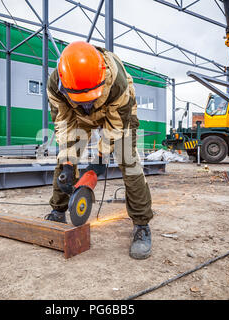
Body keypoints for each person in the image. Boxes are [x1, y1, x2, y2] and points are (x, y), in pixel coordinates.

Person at [44, 41, 154, 260]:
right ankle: (58, 212)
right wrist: (68, 161)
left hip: (117, 114)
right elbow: (64, 123)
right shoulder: (56, 83)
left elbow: (114, 128)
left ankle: (141, 225)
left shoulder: (118, 83)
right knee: (65, 161)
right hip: (78, 114)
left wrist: (100, 158)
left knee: (129, 163)